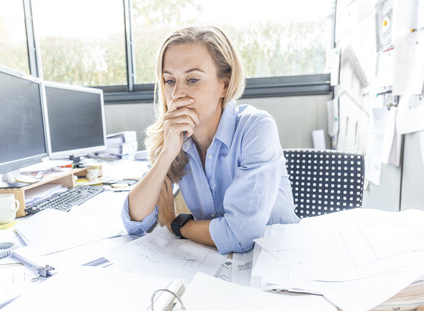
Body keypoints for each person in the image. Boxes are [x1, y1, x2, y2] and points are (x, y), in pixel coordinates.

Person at [122, 26, 299, 254]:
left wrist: (176, 223)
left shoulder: (256, 128)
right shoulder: (176, 139)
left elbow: (239, 235)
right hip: (219, 265)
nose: (177, 95)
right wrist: (166, 154)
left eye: (193, 79)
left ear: (224, 84)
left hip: (277, 266)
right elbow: (135, 222)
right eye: (169, 81)